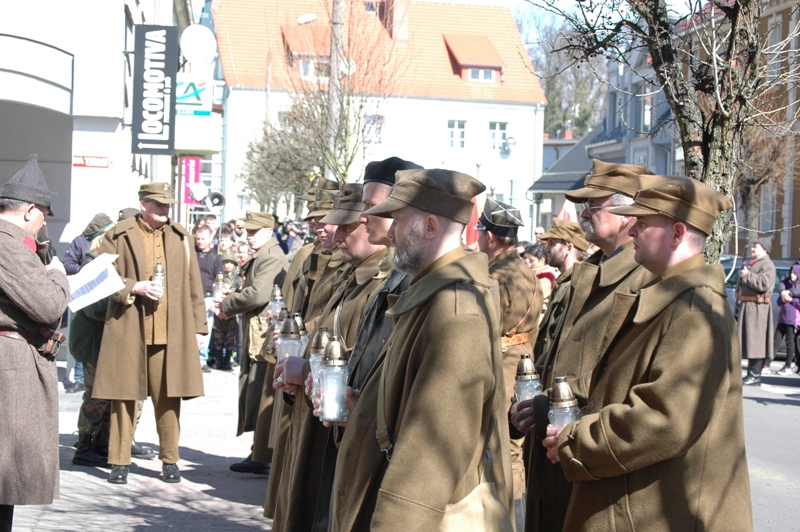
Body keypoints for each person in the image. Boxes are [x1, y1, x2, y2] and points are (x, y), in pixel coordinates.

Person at [543, 175, 753, 530]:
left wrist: (579, 441)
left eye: (644, 222)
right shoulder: (669, 298)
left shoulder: (693, 312)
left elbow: (663, 418)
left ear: (677, 233)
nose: (634, 230)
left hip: (659, 514)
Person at [331, 169, 513, 530]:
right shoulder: (432, 295)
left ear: (430, 227)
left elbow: (432, 454)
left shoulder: (456, 311)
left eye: (398, 220)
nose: (392, 232)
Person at [511, 160, 655, 532]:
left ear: (627, 215)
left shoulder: (645, 280)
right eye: (583, 205)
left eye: (595, 204)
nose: (584, 213)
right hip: (551, 448)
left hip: (589, 458)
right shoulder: (585, 273)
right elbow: (552, 356)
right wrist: (530, 406)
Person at [307, 156, 421, 532]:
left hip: (383, 454)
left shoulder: (415, 282)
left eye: (372, 208)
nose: (362, 218)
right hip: (357, 434)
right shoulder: (396, 276)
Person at [271, 183, 387, 531]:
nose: (335, 235)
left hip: (339, 433)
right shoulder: (354, 276)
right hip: (319, 420)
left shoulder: (382, 283)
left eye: (346, 227)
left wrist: (306, 368)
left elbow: (367, 368)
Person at [93, 182, 208, 485]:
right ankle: (119, 461)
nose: (165, 208)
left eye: (168, 204)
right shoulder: (118, 233)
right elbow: (100, 274)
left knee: (168, 398)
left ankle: (170, 460)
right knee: (123, 397)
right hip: (129, 327)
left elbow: (194, 285)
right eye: (159, 203)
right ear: (143, 204)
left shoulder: (180, 236)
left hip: (171, 331)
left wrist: (199, 328)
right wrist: (134, 287)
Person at [0, 155, 68, 532]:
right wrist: (57, 274)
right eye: (44, 214)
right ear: (29, 211)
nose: (45, 222)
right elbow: (49, 304)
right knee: (4, 480)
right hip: (8, 371)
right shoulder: (7, 245)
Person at [475, 197, 542, 528]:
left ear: (489, 236)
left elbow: (484, 331)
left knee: (499, 451)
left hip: (500, 370)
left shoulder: (495, 278)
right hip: (524, 367)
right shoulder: (527, 272)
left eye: (480, 233)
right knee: (514, 450)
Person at [216, 211, 288, 474]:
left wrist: (227, 304)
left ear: (268, 232)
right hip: (257, 333)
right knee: (255, 393)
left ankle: (262, 455)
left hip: (263, 337)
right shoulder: (265, 254)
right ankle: (258, 452)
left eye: (253, 231)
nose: (248, 236)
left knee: (261, 395)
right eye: (247, 231)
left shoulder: (271, 256)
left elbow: (257, 294)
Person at [738, 237, 776, 385]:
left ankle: (755, 375)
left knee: (757, 342)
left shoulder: (768, 265)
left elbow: (764, 284)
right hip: (749, 305)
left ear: (764, 249)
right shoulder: (756, 263)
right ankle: (751, 373)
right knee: (750, 341)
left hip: (758, 308)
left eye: (756, 247)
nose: (753, 250)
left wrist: (748, 276)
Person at [195, 225, 224, 372]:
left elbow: (219, 281)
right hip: (192, 297)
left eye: (203, 239)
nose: (200, 242)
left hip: (207, 297)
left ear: (210, 239)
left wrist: (216, 300)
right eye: (198, 239)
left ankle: (202, 359)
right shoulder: (192, 255)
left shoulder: (215, 258)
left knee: (205, 330)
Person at [773, 265, 800, 375]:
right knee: (776, 341)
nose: (792, 275)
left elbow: (798, 302)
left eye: (795, 273)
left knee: (790, 342)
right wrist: (784, 297)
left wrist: (791, 299)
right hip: (782, 318)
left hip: (793, 320)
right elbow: (779, 301)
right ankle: (767, 363)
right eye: (791, 273)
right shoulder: (786, 285)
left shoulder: (796, 288)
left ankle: (788, 365)